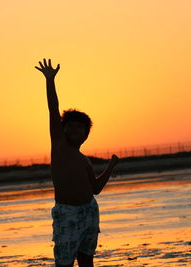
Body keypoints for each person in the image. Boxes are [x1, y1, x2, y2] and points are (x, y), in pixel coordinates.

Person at [35, 58, 119, 267]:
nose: (74, 130)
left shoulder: (84, 160)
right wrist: (50, 80)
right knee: (64, 261)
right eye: (69, 127)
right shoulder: (60, 148)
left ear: (86, 134)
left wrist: (111, 166)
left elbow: (96, 189)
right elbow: (53, 109)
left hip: (90, 211)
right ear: (62, 130)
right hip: (67, 213)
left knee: (86, 259)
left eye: (79, 128)